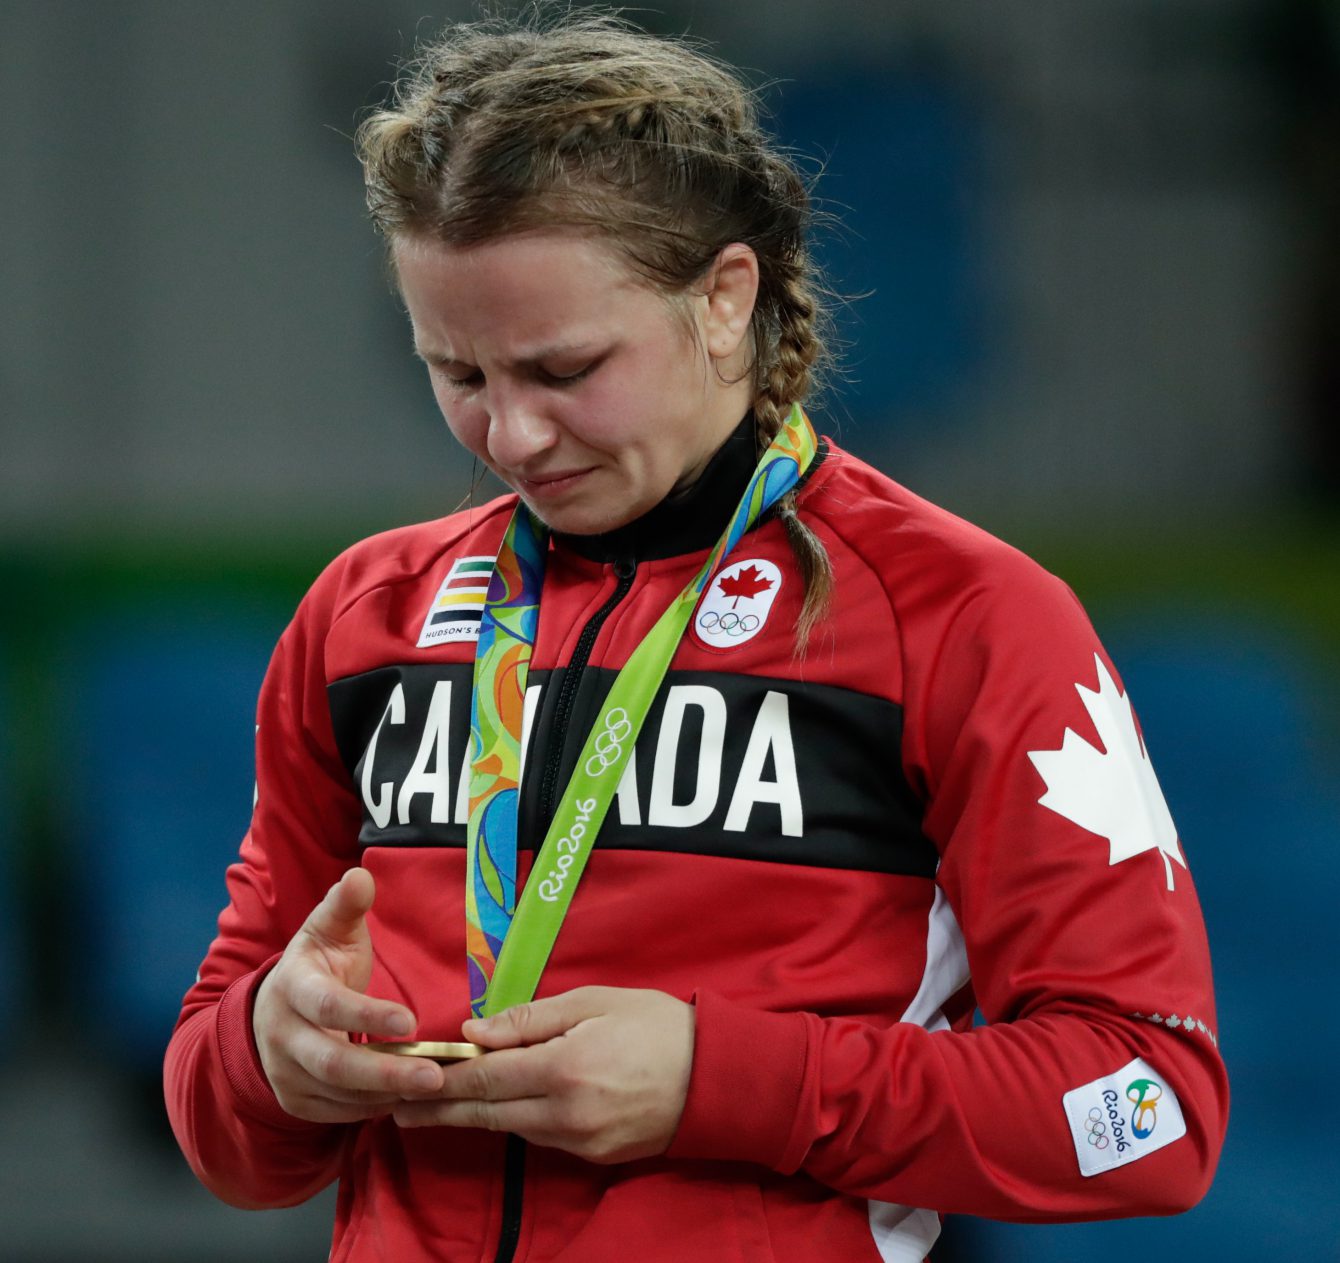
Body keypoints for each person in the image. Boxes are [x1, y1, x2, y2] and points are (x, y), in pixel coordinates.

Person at [164, 12, 1227, 1262]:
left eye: (563, 369)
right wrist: (263, 1057)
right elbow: (227, 1139)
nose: (508, 439)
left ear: (724, 299)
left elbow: (1149, 1113)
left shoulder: (963, 618)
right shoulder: (363, 618)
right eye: (456, 374)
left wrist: (721, 1080)